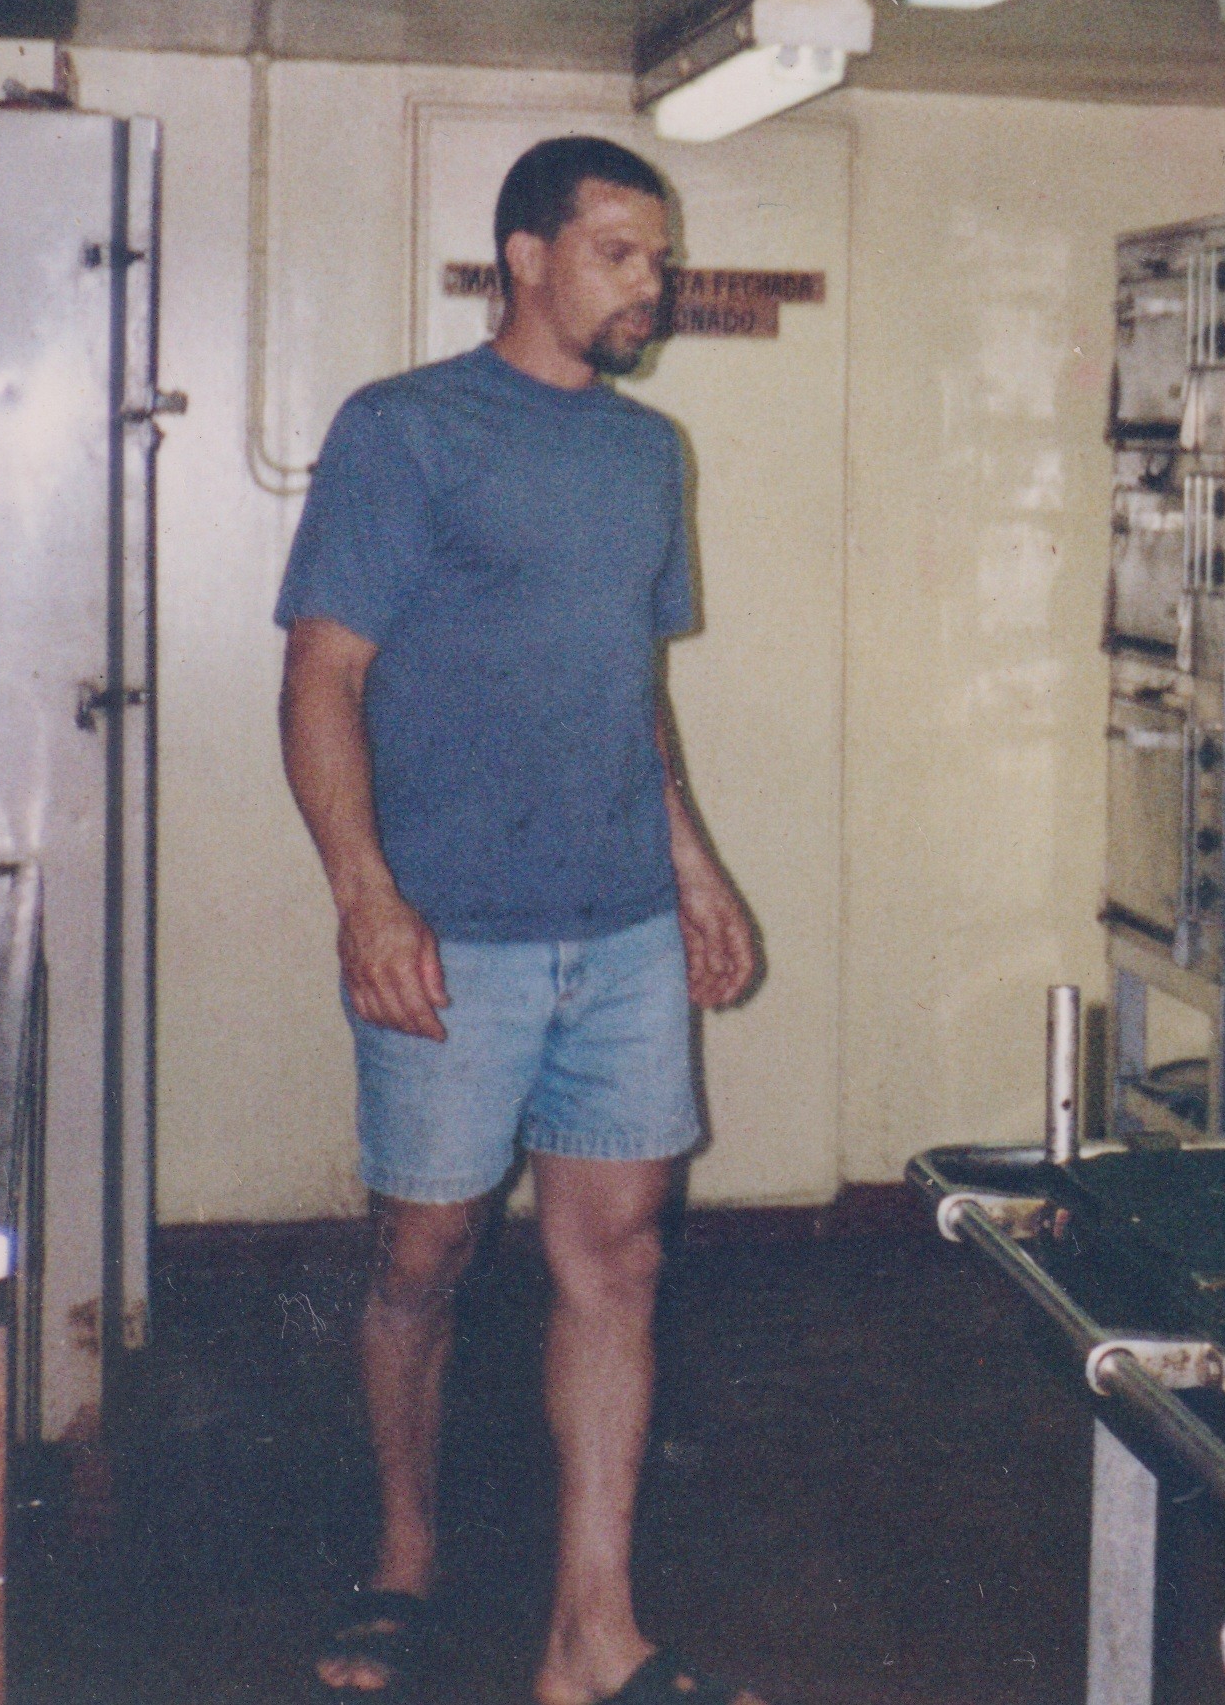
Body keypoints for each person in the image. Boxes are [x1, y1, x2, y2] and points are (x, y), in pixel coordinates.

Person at [276, 136, 765, 1705]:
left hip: (619, 929)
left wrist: (692, 866)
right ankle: (403, 1555)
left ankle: (589, 1635)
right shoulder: (405, 431)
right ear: (527, 259)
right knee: (423, 1252)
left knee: (616, 1260)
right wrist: (367, 898)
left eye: (660, 258)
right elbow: (322, 676)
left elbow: (629, 686)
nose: (651, 285)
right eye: (621, 253)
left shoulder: (648, 455)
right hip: (449, 933)